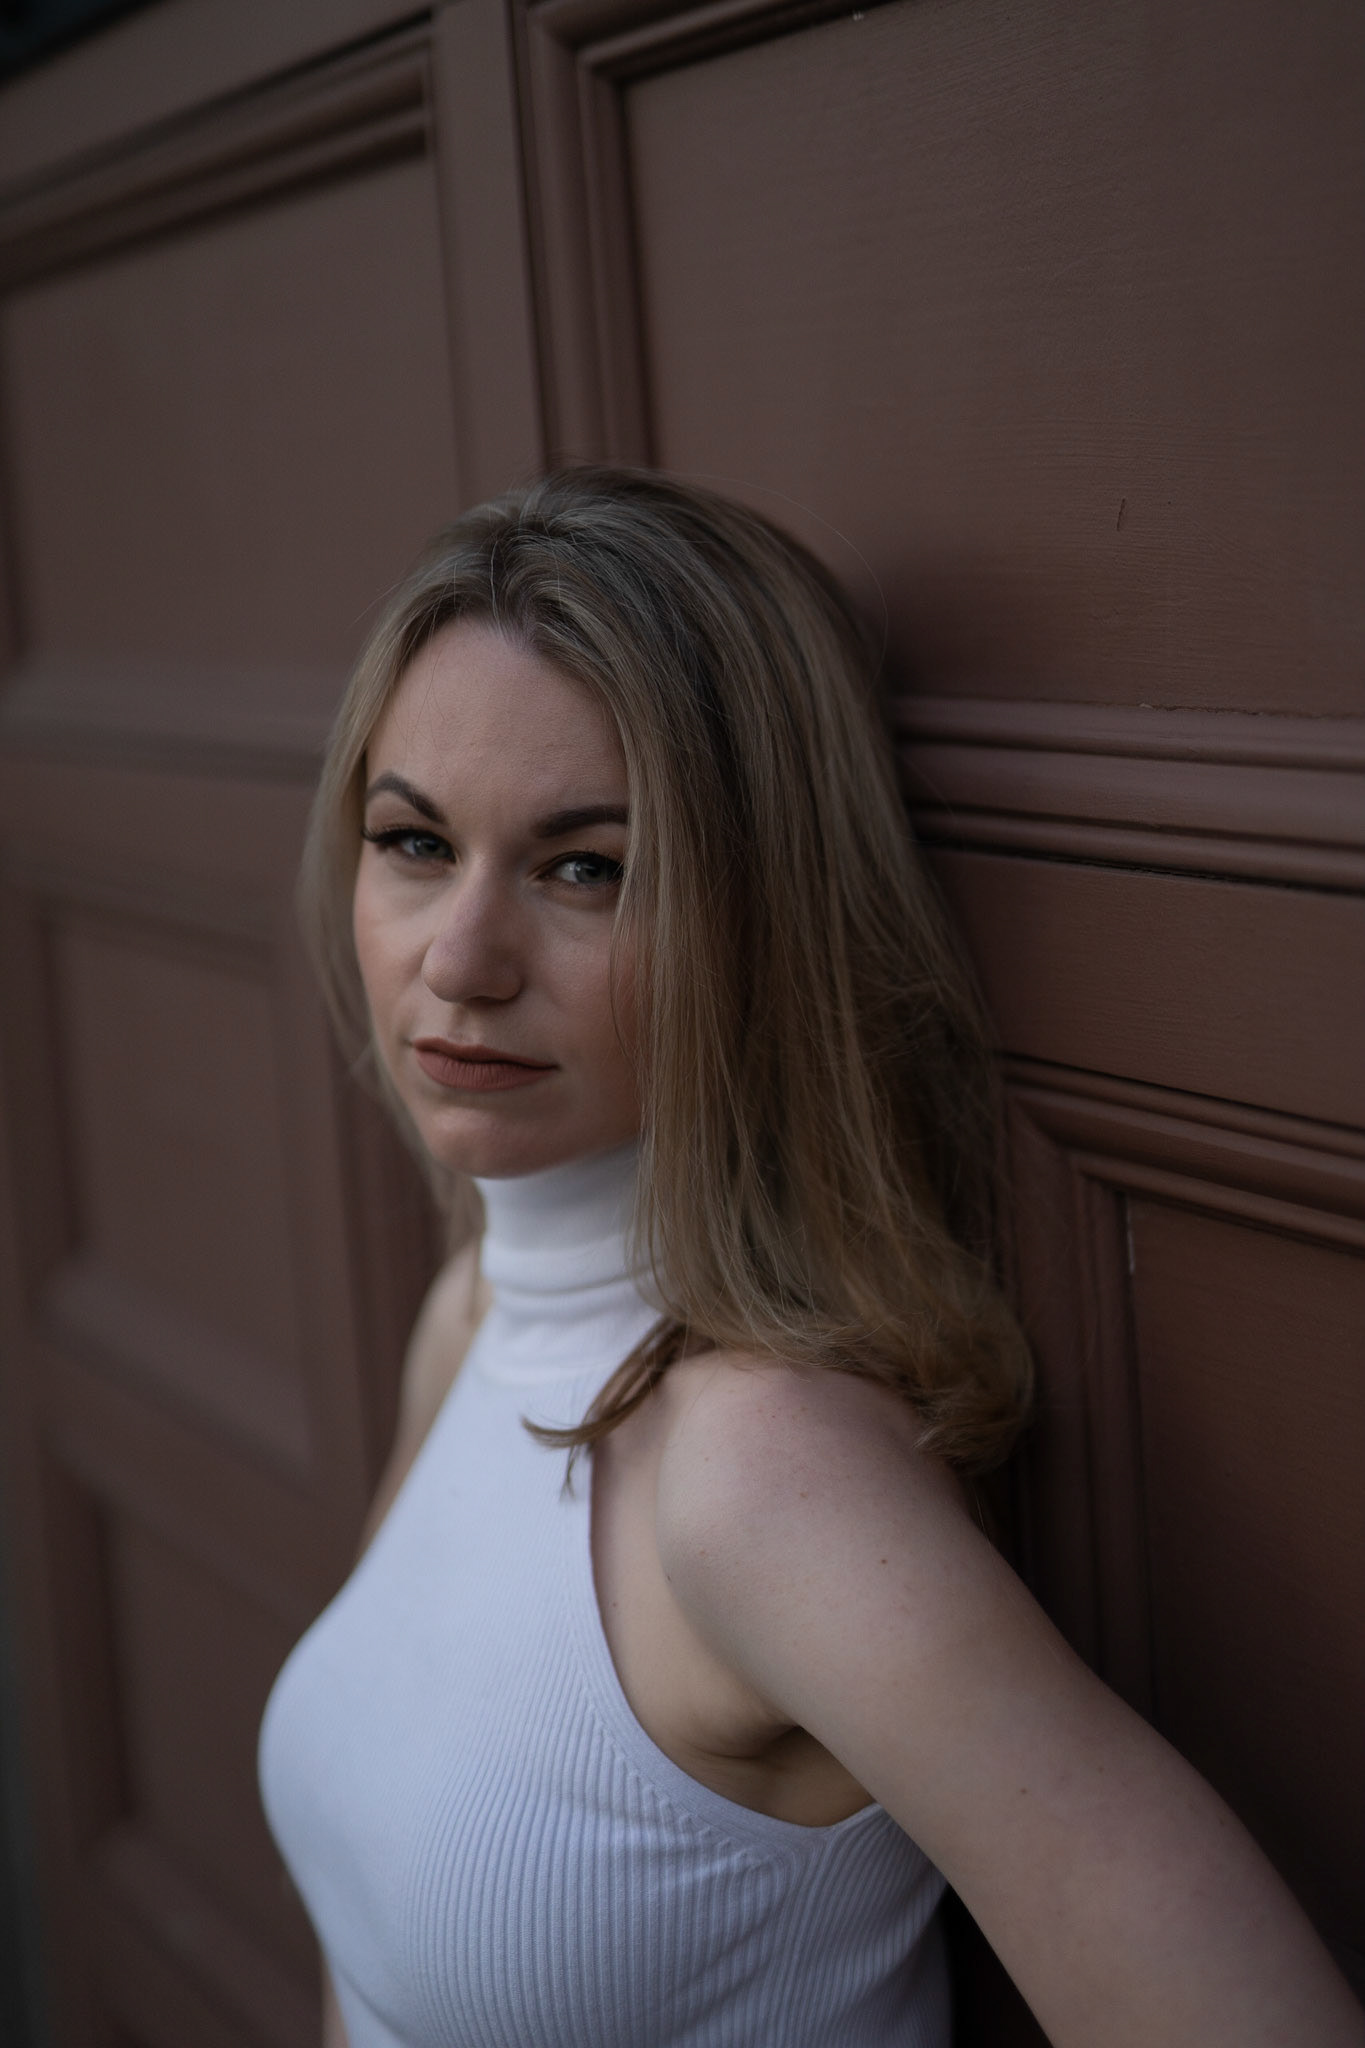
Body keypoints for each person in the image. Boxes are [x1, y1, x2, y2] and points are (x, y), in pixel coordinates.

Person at [257, 466, 1362, 2048]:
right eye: (414, 841)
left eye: (586, 867)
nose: (461, 959)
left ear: (763, 913)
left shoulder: (766, 1477)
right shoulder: (474, 1314)